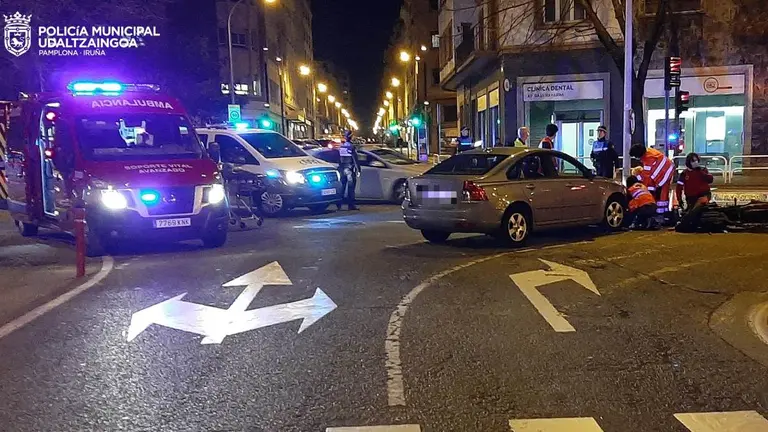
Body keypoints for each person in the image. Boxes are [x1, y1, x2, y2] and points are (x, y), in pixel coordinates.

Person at [629, 144, 675, 218]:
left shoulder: (648, 159)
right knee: (664, 192)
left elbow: (647, 179)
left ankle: (660, 214)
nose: (636, 158)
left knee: (662, 194)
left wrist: (648, 190)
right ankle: (664, 214)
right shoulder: (648, 152)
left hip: (665, 172)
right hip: (667, 169)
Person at [337, 130, 360, 211]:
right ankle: (351, 205)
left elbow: (339, 158)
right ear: (350, 137)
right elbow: (355, 159)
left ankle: (339, 205)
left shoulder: (342, 146)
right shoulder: (351, 146)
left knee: (342, 187)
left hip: (342, 169)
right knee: (351, 188)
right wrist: (358, 169)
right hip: (350, 169)